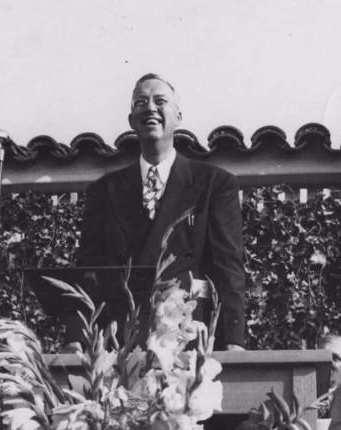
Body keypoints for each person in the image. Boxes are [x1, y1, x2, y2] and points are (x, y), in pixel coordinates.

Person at [65, 73, 246, 351]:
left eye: (160, 101)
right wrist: (77, 338)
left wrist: (234, 341)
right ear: (131, 121)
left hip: (187, 336)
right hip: (121, 339)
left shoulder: (213, 184)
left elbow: (227, 267)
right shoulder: (104, 191)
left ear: (178, 116)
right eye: (141, 102)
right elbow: (90, 271)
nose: (150, 107)